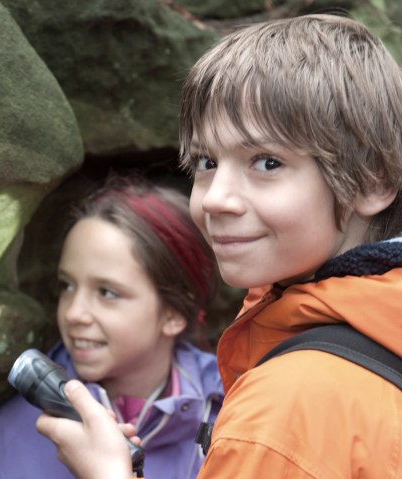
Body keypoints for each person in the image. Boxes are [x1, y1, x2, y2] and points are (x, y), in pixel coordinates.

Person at [36, 13, 402, 479]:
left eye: (267, 162)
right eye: (206, 161)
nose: (215, 199)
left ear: (372, 182)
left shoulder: (285, 413)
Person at [0, 176, 224, 479]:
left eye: (107, 292)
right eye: (67, 285)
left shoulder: (235, 422)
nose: (74, 312)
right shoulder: (10, 436)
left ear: (175, 313)